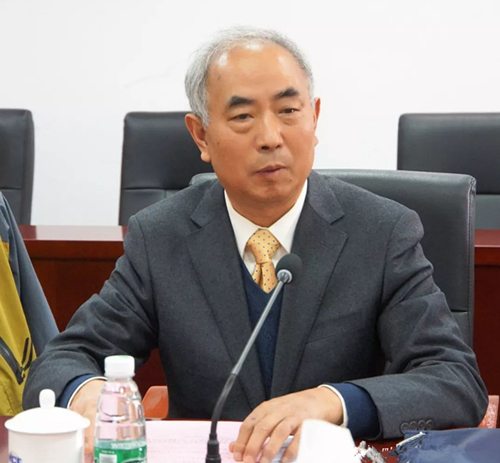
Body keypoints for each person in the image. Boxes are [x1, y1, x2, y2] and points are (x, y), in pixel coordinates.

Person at [23, 27, 487, 463]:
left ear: (314, 117)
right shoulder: (161, 237)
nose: (270, 137)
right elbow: (61, 360)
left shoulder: (381, 232)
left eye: (289, 111)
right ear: (201, 135)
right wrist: (85, 391)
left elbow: (455, 380)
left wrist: (336, 401)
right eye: (243, 116)